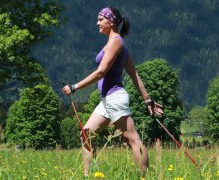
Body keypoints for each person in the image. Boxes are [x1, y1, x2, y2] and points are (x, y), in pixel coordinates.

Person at [62, 7, 163, 177]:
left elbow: (102, 72)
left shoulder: (116, 42)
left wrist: (75, 87)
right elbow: (135, 75)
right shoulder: (116, 43)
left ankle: (145, 177)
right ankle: (88, 175)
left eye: (101, 19)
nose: (97, 23)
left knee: (132, 138)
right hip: (107, 100)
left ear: (112, 22)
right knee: (86, 135)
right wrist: (147, 100)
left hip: (115, 98)